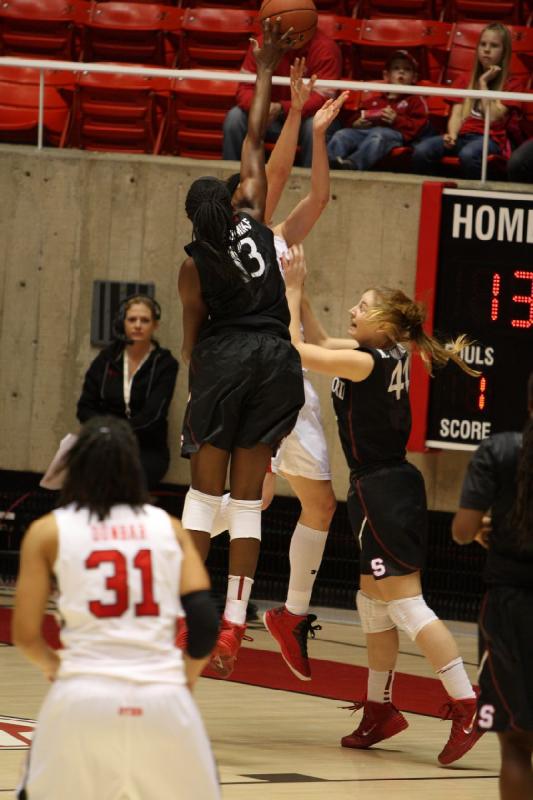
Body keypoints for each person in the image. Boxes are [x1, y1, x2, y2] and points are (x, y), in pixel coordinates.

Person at [281, 244, 486, 765]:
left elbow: (297, 351)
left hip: (383, 491)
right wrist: (301, 294)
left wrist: (291, 291)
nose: (352, 310)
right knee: (371, 603)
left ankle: (467, 702)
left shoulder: (365, 360)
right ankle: (381, 709)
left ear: (384, 325)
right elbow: (324, 339)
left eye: (361, 306)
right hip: (386, 486)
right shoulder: (384, 353)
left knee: (403, 603)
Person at [178, 19, 305, 680]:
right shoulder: (253, 218)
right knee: (249, 501)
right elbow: (254, 138)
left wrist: (198, 395)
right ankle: (233, 623)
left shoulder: (194, 263)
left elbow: (192, 339)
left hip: (225, 362)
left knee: (203, 500)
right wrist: (268, 69)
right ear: (231, 204)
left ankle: (193, 619)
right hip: (279, 364)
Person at [12, 416, 221, 800]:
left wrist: (57, 669)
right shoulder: (168, 527)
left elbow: (25, 636)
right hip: (162, 698)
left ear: (75, 467)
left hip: (83, 695)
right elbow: (205, 624)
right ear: (133, 468)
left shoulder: (48, 531)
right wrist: (185, 678)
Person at [222, 78, 350, 680]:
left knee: (320, 505)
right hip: (261, 381)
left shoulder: (277, 238)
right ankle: (204, 598)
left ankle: (290, 616)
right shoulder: (234, 245)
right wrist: (294, 112)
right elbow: (274, 170)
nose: (264, 193)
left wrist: (318, 133)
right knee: (257, 498)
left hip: (294, 380)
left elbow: (319, 196)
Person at [452, 372, 533, 800]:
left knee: (517, 743)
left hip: (509, 607)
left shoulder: (499, 450)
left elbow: (463, 531)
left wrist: (487, 527)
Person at [77, 294, 178, 490]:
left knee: (125, 476)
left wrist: (118, 433)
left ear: (155, 325)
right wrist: (106, 432)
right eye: (132, 319)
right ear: (123, 323)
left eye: (145, 320)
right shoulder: (106, 359)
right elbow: (85, 407)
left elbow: (154, 415)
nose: (138, 325)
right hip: (104, 441)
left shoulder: (165, 364)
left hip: (146, 447)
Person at [222, 7, 342, 168]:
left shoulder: (326, 49)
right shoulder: (261, 44)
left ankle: (309, 183)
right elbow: (244, 88)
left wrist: (282, 108)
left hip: (303, 119)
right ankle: (231, 179)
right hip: (268, 116)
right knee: (235, 118)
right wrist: (263, 108)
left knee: (315, 125)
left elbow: (323, 99)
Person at [412, 22, 523, 179]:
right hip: (463, 136)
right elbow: (457, 115)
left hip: (491, 139)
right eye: (483, 44)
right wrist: (452, 134)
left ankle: (478, 197)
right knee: (422, 150)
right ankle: (435, 194)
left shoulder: (512, 84)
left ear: (504, 52)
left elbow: (493, 118)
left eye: (494, 45)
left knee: (468, 154)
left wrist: (483, 84)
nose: (486, 49)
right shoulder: (464, 79)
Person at [327, 50, 430, 171]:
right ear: (386, 75)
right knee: (342, 134)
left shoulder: (416, 100)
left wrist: (396, 120)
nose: (401, 71)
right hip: (366, 132)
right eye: (396, 68)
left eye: (407, 69)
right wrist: (356, 123)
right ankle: (327, 163)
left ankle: (352, 165)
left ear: (414, 77)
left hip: (395, 136)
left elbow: (419, 128)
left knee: (379, 136)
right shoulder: (375, 100)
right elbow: (355, 118)